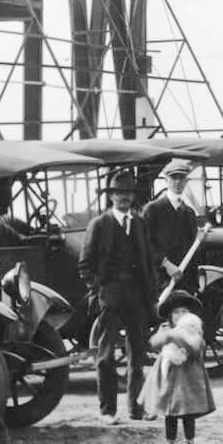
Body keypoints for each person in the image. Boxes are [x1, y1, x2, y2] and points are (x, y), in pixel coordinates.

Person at [78, 169, 156, 424]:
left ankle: (136, 409)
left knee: (137, 356)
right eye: (118, 193)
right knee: (105, 355)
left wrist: (150, 297)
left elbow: (148, 262)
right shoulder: (99, 224)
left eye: (128, 193)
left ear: (133, 196)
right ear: (111, 197)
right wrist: (98, 288)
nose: (123, 198)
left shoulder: (141, 223)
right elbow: (85, 265)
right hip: (109, 296)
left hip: (136, 295)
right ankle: (107, 411)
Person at [139, 290, 216, 444]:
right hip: (169, 378)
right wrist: (168, 336)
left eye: (184, 312)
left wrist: (182, 338)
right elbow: (154, 342)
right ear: (170, 316)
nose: (180, 315)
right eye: (176, 312)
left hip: (189, 378)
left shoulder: (194, 331)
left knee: (188, 412)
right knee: (169, 413)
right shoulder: (166, 329)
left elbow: (197, 348)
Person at [143, 159, 201, 285]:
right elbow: (145, 244)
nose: (177, 182)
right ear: (166, 180)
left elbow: (192, 250)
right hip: (159, 280)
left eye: (181, 178)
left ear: (186, 181)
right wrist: (166, 264)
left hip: (185, 279)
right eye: (174, 177)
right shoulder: (152, 209)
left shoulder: (189, 213)